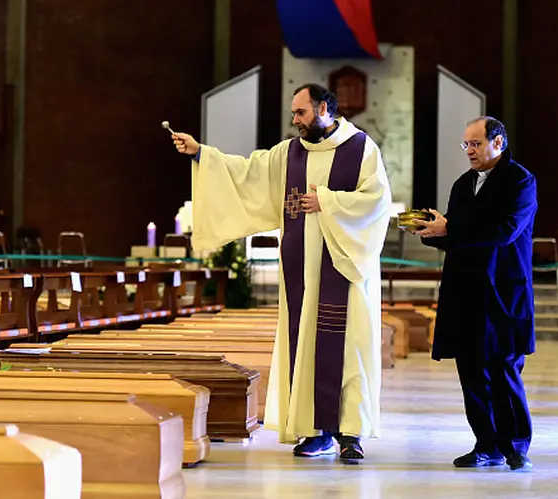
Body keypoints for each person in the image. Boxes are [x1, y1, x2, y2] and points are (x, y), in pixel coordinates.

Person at [172, 83, 392, 463]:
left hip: (344, 269)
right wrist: (201, 154)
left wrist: (326, 200)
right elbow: (246, 172)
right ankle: (313, 430)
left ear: (324, 108)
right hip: (301, 274)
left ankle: (350, 434)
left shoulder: (361, 149)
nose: (295, 121)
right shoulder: (289, 153)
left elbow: (377, 202)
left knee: (349, 349)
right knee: (303, 344)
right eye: (294, 113)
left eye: (301, 113)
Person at [415, 116, 537, 471]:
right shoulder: (463, 183)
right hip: (465, 291)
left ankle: (515, 446)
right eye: (466, 144)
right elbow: (459, 236)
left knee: (503, 371)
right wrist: (431, 232)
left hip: (502, 290)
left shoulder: (520, 180)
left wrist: (451, 226)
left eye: (475, 143)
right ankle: (486, 445)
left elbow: (506, 231)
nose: (469, 150)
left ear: (497, 142)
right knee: (470, 372)